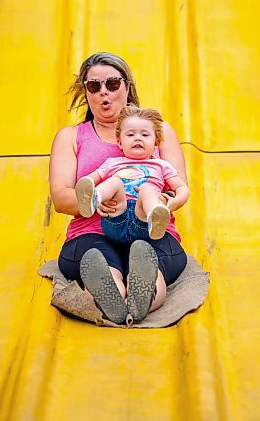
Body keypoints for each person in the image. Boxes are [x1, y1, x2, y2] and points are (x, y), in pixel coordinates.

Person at [49, 52, 189, 325]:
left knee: (151, 263)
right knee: (99, 261)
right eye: (94, 86)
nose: (104, 92)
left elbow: (178, 187)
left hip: (149, 231)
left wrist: (159, 201)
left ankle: (142, 296)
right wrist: (92, 203)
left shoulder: (158, 131)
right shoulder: (71, 137)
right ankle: (108, 293)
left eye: (112, 84)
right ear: (86, 92)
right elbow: (60, 197)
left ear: (127, 86)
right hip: (91, 232)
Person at [75, 105, 190, 244]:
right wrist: (90, 190)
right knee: (115, 182)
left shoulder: (161, 165)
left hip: (143, 220)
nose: (137, 138)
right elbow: (88, 181)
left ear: (156, 143)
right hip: (116, 217)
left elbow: (182, 188)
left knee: (147, 190)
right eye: (130, 135)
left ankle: (155, 216)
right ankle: (94, 199)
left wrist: (174, 203)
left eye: (145, 135)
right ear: (120, 142)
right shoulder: (112, 163)